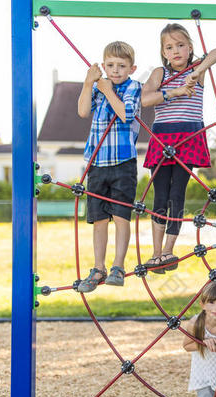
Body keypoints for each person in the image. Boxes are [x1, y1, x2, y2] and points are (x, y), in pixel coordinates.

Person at [141, 23, 216, 271]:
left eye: (180, 45)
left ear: (190, 48)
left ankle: (168, 251)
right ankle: (155, 253)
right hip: (163, 137)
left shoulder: (197, 72)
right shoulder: (160, 73)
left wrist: (197, 71)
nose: (175, 50)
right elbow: (146, 99)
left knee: (177, 194)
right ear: (163, 52)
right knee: (160, 195)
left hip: (187, 137)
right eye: (169, 47)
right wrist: (175, 92)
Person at [76, 41, 142, 293]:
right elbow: (83, 111)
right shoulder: (98, 88)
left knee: (121, 215)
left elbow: (125, 113)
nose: (115, 70)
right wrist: (88, 83)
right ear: (103, 66)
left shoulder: (132, 87)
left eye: (121, 66)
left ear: (131, 68)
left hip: (122, 162)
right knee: (99, 218)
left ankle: (118, 266)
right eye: (111, 65)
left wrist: (106, 89)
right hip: (97, 163)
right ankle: (99, 266)